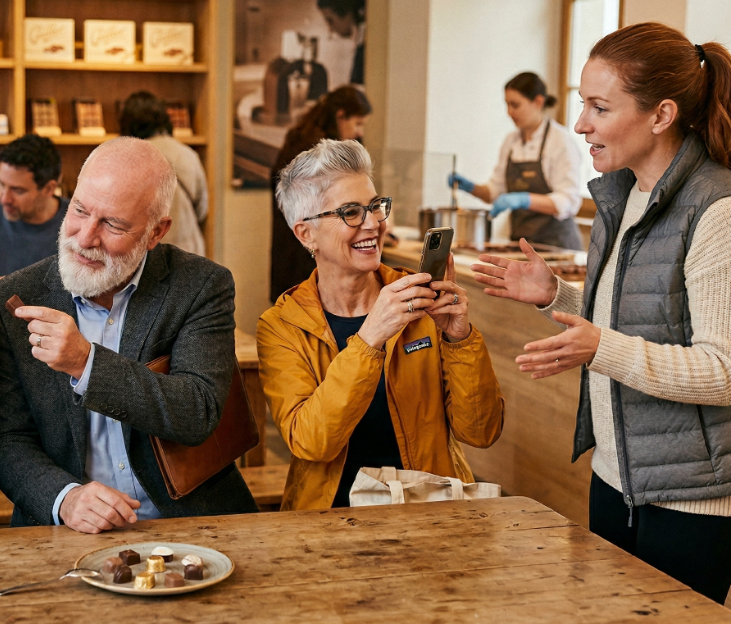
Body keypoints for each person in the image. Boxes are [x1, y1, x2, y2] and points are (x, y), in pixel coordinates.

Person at [471, 23, 731, 603]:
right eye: (580, 105)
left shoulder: (716, 210)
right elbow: (631, 327)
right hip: (615, 477)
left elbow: (724, 370)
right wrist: (556, 297)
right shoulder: (627, 193)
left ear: (661, 115)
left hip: (689, 499)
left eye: (598, 107)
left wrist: (599, 348)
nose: (581, 124)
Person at [0, 137, 257, 533]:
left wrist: (86, 363)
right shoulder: (12, 299)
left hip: (189, 519)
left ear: (155, 232)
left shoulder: (202, 285)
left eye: (112, 224)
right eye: (79, 210)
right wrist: (65, 498)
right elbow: (6, 438)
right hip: (65, 528)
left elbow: (198, 413)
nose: (84, 237)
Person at [258, 138, 504, 511]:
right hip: (328, 517)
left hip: (429, 509)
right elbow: (312, 442)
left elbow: (481, 432)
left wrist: (459, 338)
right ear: (306, 233)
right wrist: (370, 337)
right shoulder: (281, 326)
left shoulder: (419, 300)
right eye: (350, 212)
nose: (373, 223)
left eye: (375, 206)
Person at [447, 72, 583, 249]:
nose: (509, 112)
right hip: (522, 245)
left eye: (515, 105)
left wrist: (524, 200)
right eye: (507, 105)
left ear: (538, 102)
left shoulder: (560, 141)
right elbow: (495, 192)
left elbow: (568, 201)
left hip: (556, 247)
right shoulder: (511, 142)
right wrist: (469, 187)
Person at [271, 86, 371, 301]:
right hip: (308, 259)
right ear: (340, 116)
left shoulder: (300, 139)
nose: (360, 132)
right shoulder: (317, 156)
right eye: (358, 123)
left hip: (292, 254)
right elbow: (329, 210)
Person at [0, 135, 68, 320]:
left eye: (18, 190)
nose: (4, 198)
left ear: (50, 188)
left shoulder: (77, 224)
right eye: (2, 184)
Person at [119, 91, 209, 256]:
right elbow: (202, 209)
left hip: (148, 252)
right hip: (189, 250)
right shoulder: (187, 154)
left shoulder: (129, 157)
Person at [317, 0, 365, 85]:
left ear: (345, 12)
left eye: (330, 20)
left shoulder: (365, 44)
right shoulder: (361, 38)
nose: (330, 29)